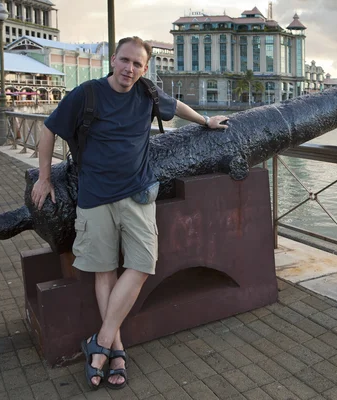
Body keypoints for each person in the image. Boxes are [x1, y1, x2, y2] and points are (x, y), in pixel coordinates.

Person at [31, 36, 228, 390]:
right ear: (113, 59)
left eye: (137, 64)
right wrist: (45, 178)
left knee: (141, 264)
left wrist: (206, 121)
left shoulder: (147, 94)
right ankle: (115, 348)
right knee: (104, 271)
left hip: (137, 195)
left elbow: (177, 106)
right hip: (94, 197)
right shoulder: (87, 94)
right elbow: (48, 130)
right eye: (124, 61)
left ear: (145, 68)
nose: (129, 69)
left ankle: (101, 341)